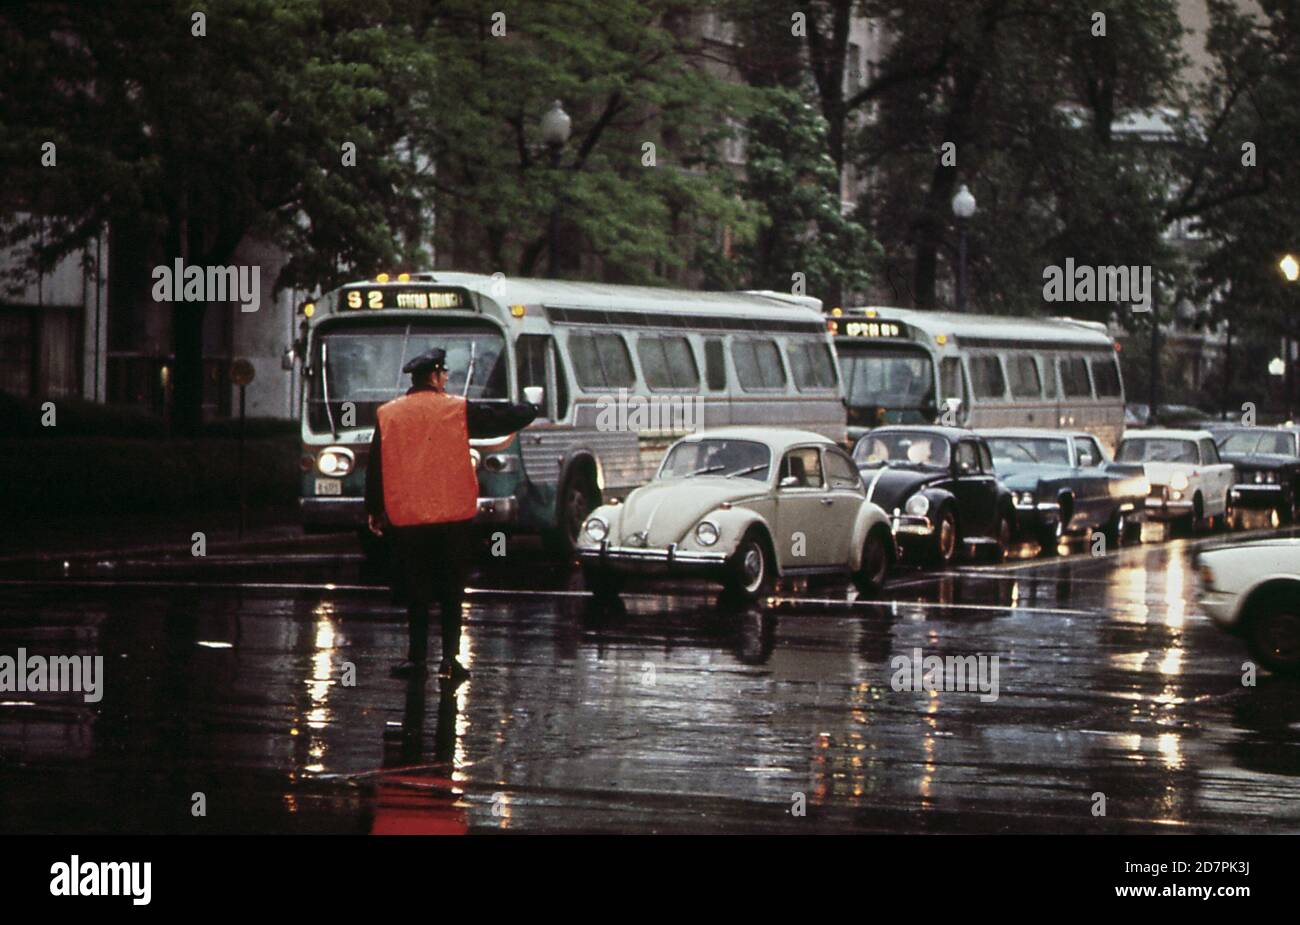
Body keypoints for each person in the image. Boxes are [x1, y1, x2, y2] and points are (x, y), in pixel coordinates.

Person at [365, 347, 538, 682]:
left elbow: (377, 465)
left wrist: (374, 510)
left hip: (408, 517)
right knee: (450, 591)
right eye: (444, 374)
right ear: (433, 376)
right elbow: (498, 419)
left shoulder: (388, 414)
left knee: (416, 591)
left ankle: (416, 661)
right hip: (451, 517)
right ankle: (449, 660)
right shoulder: (455, 409)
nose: (446, 379)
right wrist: (530, 409)